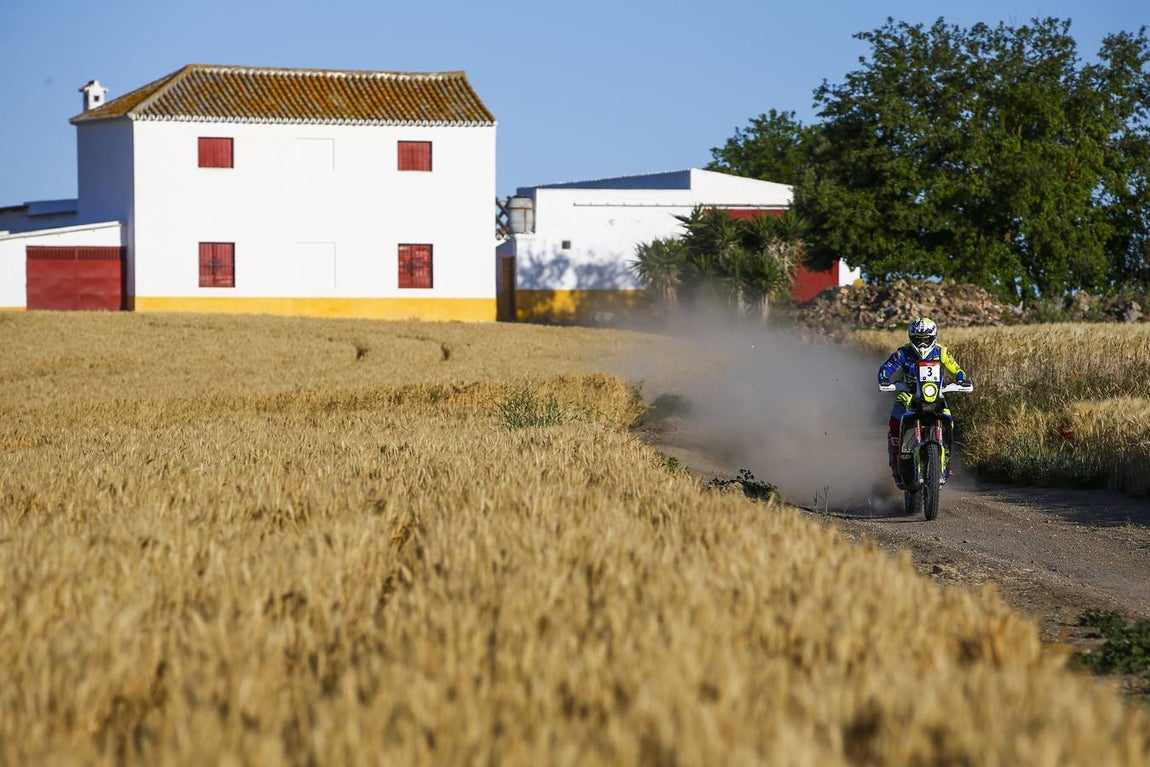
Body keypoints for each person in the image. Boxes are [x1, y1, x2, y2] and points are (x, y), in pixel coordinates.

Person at [877, 317, 970, 486]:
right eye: (917, 339)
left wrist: (962, 379)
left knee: (949, 420)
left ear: (933, 337)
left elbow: (957, 369)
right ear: (911, 337)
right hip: (909, 395)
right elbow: (886, 368)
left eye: (925, 339)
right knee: (895, 421)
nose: (921, 343)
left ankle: (946, 459)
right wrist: (884, 379)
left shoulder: (942, 352)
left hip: (936, 395)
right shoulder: (903, 353)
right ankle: (896, 465)